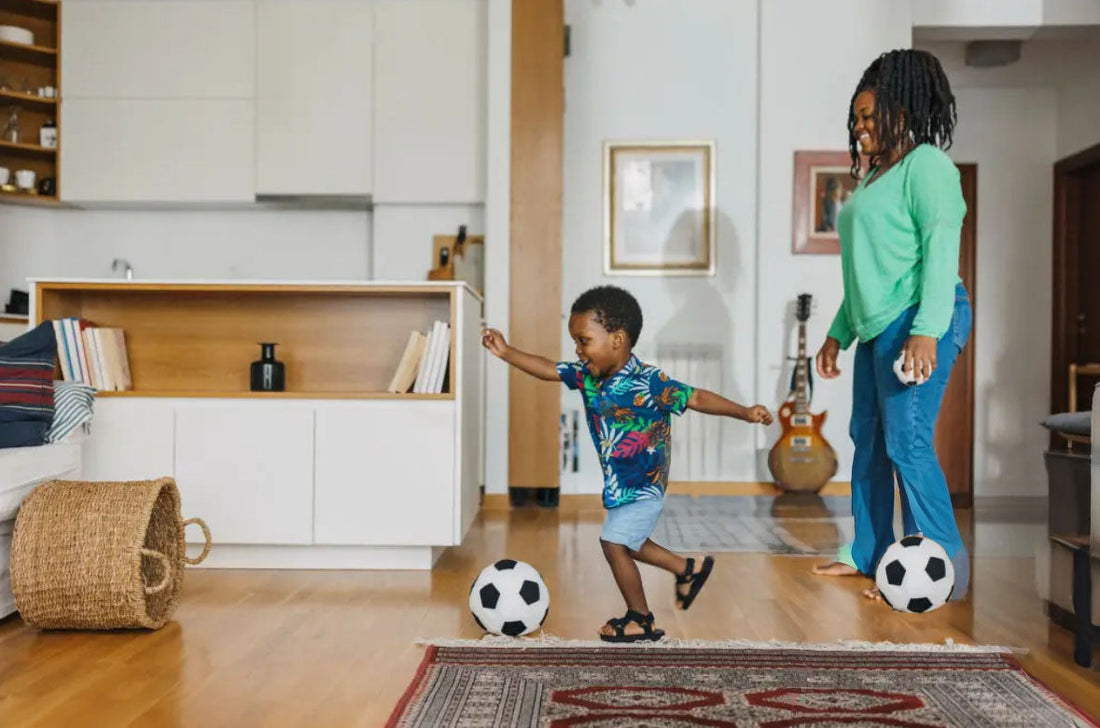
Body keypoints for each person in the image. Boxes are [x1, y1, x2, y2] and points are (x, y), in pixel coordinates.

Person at [483, 285, 773, 641]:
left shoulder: (649, 382)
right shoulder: (587, 375)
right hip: (618, 485)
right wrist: (506, 352)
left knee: (614, 544)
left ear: (617, 339)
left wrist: (745, 412)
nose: (578, 350)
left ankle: (641, 618)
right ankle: (688, 567)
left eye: (583, 340)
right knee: (631, 543)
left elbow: (696, 397)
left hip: (645, 483)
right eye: (575, 342)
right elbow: (548, 369)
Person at [811, 48, 973, 601]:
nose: (859, 127)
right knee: (868, 441)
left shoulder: (927, 166)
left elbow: (941, 251)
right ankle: (871, 553)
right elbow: (869, 274)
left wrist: (927, 330)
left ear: (900, 111)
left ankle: (943, 569)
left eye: (867, 115)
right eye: (854, 118)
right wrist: (838, 333)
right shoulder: (876, 176)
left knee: (907, 442)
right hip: (878, 325)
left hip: (922, 316)